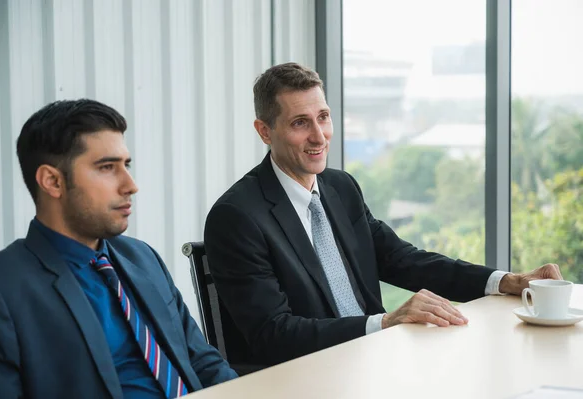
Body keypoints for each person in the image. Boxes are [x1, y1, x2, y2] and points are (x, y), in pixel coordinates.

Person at [204, 62, 563, 366]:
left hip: (373, 360)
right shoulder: (236, 217)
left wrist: (505, 282)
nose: (319, 136)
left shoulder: (340, 188)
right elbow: (273, 334)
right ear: (265, 131)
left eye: (323, 117)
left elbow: (404, 260)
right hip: (307, 377)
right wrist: (385, 322)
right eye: (300, 123)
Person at [0, 99, 237, 398]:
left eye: (125, 165)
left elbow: (201, 360)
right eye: (107, 167)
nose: (130, 184)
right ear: (52, 181)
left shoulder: (142, 257)